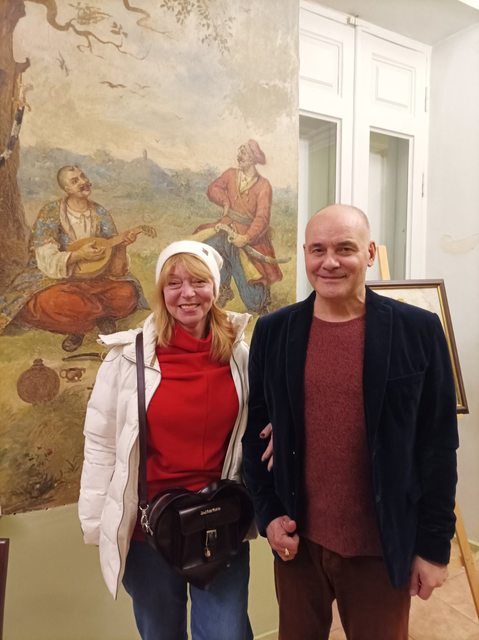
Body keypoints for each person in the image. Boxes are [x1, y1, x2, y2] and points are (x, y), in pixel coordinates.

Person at [242, 204, 459, 640]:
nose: (330, 262)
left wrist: (434, 548)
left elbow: (438, 445)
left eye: (345, 248)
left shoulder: (417, 331)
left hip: (380, 547)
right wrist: (269, 515)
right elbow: (256, 435)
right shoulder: (274, 331)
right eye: (317, 250)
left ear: (370, 253)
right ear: (305, 254)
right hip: (298, 547)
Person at [78, 240, 254, 640]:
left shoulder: (239, 354)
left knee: (225, 633)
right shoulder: (127, 358)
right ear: (161, 291)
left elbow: (255, 428)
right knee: (160, 633)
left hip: (219, 523)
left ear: (215, 287)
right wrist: (95, 522)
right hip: (149, 530)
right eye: (174, 283)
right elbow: (101, 443)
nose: (187, 293)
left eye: (198, 282)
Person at [0, 165, 148, 351]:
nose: (83, 182)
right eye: (75, 180)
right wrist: (78, 255)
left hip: (96, 281)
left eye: (83, 176)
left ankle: (86, 318)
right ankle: (92, 321)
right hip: (57, 282)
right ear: (66, 188)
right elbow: (46, 259)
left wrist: (121, 246)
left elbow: (116, 271)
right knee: (52, 302)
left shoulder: (100, 213)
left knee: (127, 294)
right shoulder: (51, 212)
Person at [193, 139, 284, 315]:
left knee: (254, 296)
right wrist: (225, 200)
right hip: (226, 227)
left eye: (243, 153)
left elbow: (262, 218)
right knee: (207, 249)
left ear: (252, 159)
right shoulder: (230, 174)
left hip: (251, 238)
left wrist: (246, 237)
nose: (238, 156)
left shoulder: (264, 186)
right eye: (239, 152)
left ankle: (258, 301)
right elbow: (213, 188)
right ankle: (221, 290)